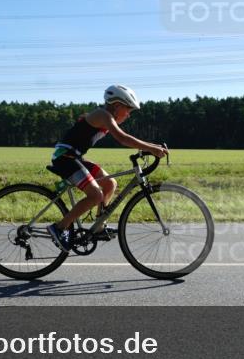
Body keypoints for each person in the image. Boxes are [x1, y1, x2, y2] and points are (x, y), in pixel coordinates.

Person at [47, 85, 167, 251]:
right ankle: (60, 227)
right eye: (128, 109)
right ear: (117, 105)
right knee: (96, 195)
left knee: (110, 184)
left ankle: (99, 227)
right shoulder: (103, 115)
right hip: (64, 158)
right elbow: (123, 138)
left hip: (74, 157)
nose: (129, 114)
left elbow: (122, 136)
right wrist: (152, 148)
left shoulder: (103, 116)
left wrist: (152, 146)